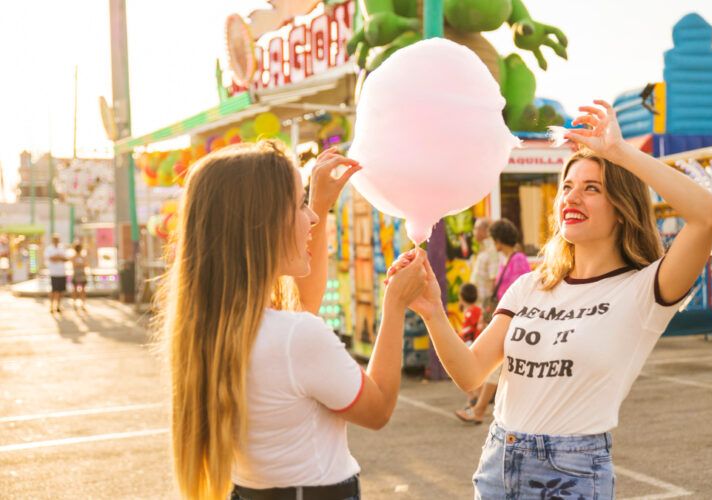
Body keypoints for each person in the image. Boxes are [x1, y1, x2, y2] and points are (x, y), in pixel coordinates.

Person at [389, 100, 712, 499]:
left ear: (622, 208)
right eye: (567, 187)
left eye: (591, 189)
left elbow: (708, 215)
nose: (572, 198)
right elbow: (470, 372)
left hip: (572, 472)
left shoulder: (643, 290)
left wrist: (618, 153)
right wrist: (431, 310)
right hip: (499, 462)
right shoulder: (530, 286)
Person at [158, 141, 428, 500]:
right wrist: (395, 303)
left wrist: (320, 202)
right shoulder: (292, 336)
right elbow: (377, 409)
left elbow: (302, 309)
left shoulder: (213, 325)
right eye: (300, 205)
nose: (313, 219)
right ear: (262, 225)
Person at [456, 219, 530, 424]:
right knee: (502, 367)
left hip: (515, 320)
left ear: (499, 240)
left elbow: (523, 291)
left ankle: (478, 409)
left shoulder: (518, 259)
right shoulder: (505, 259)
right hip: (504, 318)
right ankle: (482, 409)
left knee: (497, 366)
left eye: (494, 238)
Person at [456, 282, 483, 409]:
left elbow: (477, 329)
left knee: (471, 374)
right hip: (469, 347)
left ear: (461, 297)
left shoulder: (474, 311)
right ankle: (474, 399)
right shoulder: (470, 311)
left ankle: (477, 400)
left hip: (473, 348)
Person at [469, 217, 498, 309]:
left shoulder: (492, 249)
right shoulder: (484, 248)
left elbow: (495, 279)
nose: (473, 232)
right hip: (478, 304)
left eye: (476, 228)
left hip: (485, 306)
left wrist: (489, 305)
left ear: (485, 231)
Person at [44, 234, 68, 313]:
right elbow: (51, 258)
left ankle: (58, 306)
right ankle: (51, 306)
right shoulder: (49, 249)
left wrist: (58, 257)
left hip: (62, 272)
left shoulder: (62, 248)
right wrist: (59, 257)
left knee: (60, 291)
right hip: (54, 273)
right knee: (54, 290)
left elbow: (66, 258)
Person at [71, 243, 89, 311]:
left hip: (82, 274)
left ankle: (83, 304)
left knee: (83, 290)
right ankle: (75, 304)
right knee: (75, 290)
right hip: (76, 274)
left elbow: (86, 264)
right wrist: (81, 264)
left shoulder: (83, 257)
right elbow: (74, 265)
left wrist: (79, 264)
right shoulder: (74, 257)